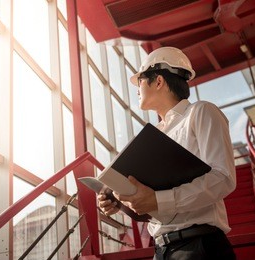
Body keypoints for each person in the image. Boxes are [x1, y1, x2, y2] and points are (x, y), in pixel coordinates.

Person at [97, 46, 236, 260]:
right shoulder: (154, 137)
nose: (137, 89)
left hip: (199, 246)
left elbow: (223, 178)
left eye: (141, 81)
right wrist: (121, 201)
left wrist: (160, 200)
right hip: (162, 250)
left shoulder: (201, 112)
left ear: (159, 81)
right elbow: (154, 202)